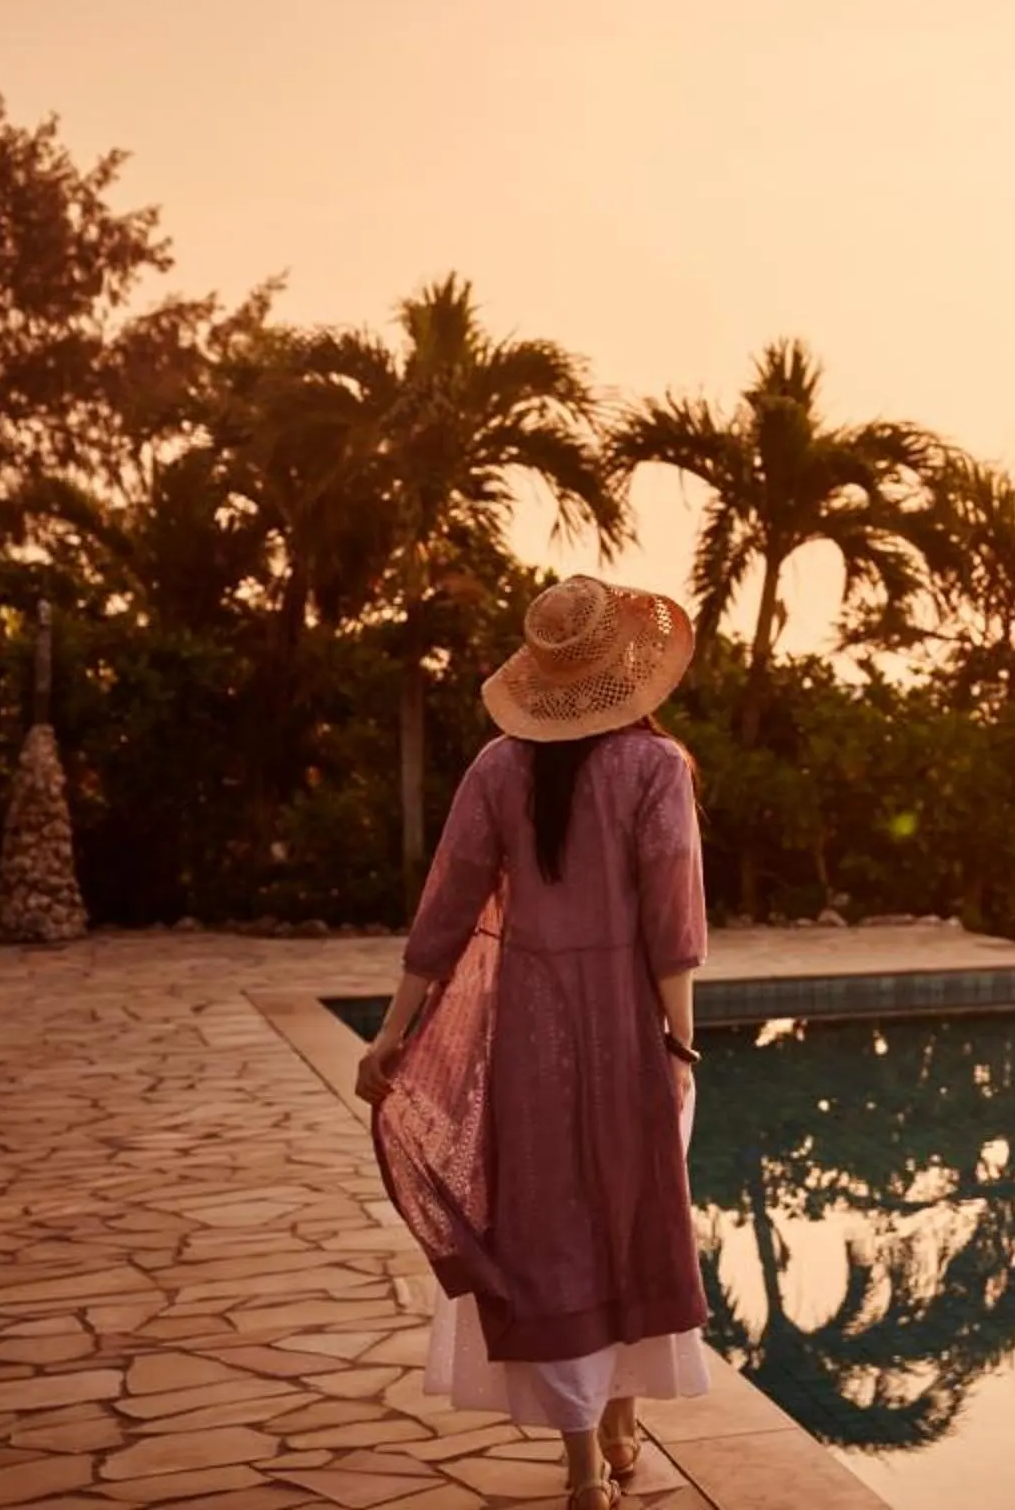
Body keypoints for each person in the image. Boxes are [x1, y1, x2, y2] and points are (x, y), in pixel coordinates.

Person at [357, 574, 713, 1509]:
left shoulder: (497, 768)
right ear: (625, 670)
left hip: (528, 1032)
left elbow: (444, 911)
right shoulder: (656, 768)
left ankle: (589, 1459)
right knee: (628, 1220)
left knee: (548, 1231)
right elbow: (673, 927)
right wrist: (681, 1044)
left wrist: (393, 1032)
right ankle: (617, 1424)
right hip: (626, 1028)